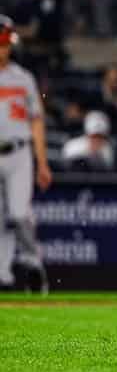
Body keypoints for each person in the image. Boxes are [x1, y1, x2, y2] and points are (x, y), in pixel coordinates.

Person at [0, 16, 52, 293]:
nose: (2, 48)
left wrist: (42, 162)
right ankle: (3, 275)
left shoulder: (23, 78)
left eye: (5, 43)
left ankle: (33, 263)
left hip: (19, 152)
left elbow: (36, 121)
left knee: (19, 215)